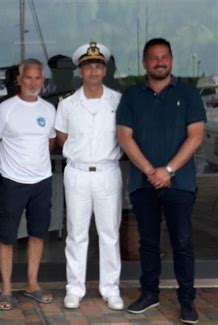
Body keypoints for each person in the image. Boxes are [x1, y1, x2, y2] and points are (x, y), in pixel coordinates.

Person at [116, 38, 206, 324]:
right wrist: (150, 172)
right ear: (144, 63)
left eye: (164, 56)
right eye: (153, 57)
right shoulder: (131, 95)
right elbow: (124, 137)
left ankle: (187, 300)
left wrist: (167, 170)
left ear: (171, 60)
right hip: (143, 184)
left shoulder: (189, 94)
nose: (159, 62)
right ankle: (149, 292)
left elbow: (196, 136)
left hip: (179, 183)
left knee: (182, 242)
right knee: (148, 242)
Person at [55, 42, 124, 310]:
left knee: (109, 234)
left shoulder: (118, 101)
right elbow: (61, 137)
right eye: (88, 67)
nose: (93, 71)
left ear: (104, 70)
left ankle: (111, 288)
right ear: (80, 72)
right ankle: (75, 288)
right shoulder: (68, 103)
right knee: (76, 234)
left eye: (98, 66)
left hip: (107, 172)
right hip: (78, 173)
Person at [0, 58, 56, 310]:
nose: (33, 82)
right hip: (13, 181)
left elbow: (49, 143)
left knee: (38, 233)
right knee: (6, 236)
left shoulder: (49, 109)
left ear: (43, 80)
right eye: (28, 77)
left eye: (38, 77)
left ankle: (32, 284)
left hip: (42, 181)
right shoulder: (5, 109)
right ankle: (6, 289)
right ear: (19, 80)